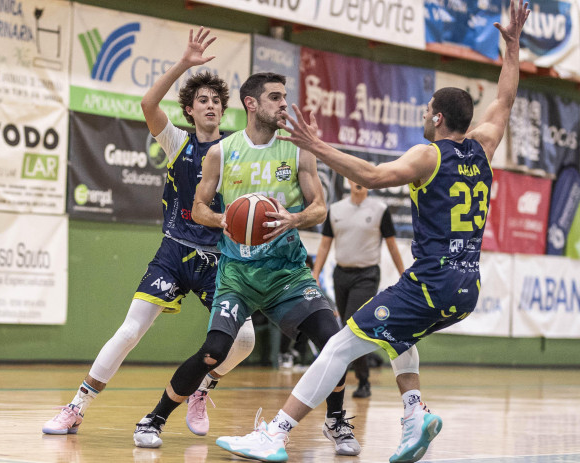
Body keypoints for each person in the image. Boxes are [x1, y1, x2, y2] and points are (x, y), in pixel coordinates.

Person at [215, 2, 530, 462]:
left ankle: (275, 435)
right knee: (399, 336)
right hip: (467, 286)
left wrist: (316, 145)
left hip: (432, 282)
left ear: (438, 118)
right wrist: (514, 49)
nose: (425, 115)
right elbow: (505, 99)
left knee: (340, 346)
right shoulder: (484, 144)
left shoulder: (430, 155)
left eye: (428, 110)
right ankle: (413, 413)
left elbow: (374, 174)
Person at [133, 72, 361, 457]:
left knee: (334, 341)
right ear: (251, 104)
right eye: (275, 97)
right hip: (237, 273)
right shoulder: (222, 152)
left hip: (287, 273)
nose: (284, 104)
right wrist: (224, 220)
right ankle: (154, 417)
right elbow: (199, 207)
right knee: (213, 351)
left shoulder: (297, 149)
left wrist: (295, 218)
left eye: (285, 97)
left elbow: (319, 206)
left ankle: (336, 421)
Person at [42, 28, 255, 438]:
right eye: (202, 101)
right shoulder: (178, 142)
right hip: (175, 253)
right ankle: (76, 407)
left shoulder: (236, 150)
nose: (210, 105)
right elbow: (147, 103)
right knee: (130, 330)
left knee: (243, 339)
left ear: (223, 111)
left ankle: (200, 387)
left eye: (215, 101)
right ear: (190, 112)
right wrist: (185, 63)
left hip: (219, 260)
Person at [312, 178, 405, 397]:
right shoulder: (335, 210)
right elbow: (325, 244)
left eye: (362, 179)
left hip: (367, 275)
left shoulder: (380, 210)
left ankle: (357, 380)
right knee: (347, 328)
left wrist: (403, 274)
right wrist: (315, 273)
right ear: (347, 182)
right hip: (341, 274)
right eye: (353, 178)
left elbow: (391, 244)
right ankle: (359, 378)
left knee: (353, 325)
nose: (358, 182)